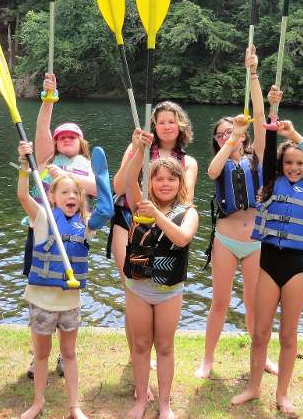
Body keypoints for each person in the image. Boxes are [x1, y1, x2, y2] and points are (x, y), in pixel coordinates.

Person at [231, 86, 303, 413]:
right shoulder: (270, 184)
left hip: (296, 268)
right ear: (281, 165)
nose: (294, 167)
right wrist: (272, 110)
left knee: (288, 336)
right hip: (268, 264)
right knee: (260, 333)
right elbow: (268, 146)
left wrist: (295, 135)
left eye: (300, 163)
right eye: (289, 162)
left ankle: (282, 394)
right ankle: (253, 387)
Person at [195, 46, 277, 378]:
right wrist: (232, 139)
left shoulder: (256, 155)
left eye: (232, 131)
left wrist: (253, 73)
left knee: (255, 303)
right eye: (222, 134)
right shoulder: (220, 161)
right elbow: (213, 172)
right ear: (218, 140)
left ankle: (262, 358)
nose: (228, 136)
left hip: (256, 241)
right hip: (226, 241)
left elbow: (259, 111)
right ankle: (207, 359)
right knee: (220, 302)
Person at [16, 139, 113, 419]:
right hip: (42, 300)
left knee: (69, 353)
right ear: (53, 197)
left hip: (69, 302)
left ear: (81, 199)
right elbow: (23, 196)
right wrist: (24, 166)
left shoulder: (87, 225)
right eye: (65, 192)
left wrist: (101, 175)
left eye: (76, 193)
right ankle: (37, 402)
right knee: (42, 354)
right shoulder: (42, 218)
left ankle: (74, 406)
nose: (71, 196)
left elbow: (107, 210)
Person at [109, 99, 198, 399]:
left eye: (172, 121)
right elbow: (121, 186)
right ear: (154, 126)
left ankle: (150, 367)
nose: (167, 126)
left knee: (158, 296)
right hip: (132, 220)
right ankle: (139, 364)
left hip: (166, 224)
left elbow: (185, 202)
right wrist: (137, 149)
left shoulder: (188, 162)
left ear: (180, 125)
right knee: (132, 286)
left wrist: (161, 214)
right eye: (161, 122)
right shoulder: (139, 146)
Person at [26, 73, 97, 379]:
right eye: (61, 137)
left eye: (72, 137)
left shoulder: (87, 165)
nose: (66, 139)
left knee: (67, 297)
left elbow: (97, 189)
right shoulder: (46, 159)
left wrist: (65, 177)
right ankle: (37, 354)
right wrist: (48, 98)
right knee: (39, 295)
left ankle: (65, 355)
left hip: (73, 237)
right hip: (42, 233)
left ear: (81, 143)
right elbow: (42, 128)